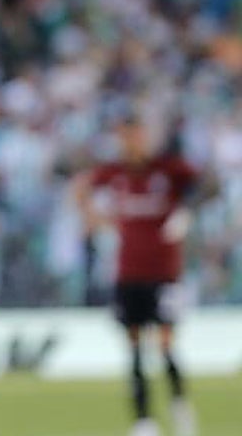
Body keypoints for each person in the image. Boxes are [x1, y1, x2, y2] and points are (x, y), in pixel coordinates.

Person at [73, 112, 219, 436]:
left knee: (166, 344)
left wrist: (186, 211)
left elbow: (210, 184)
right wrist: (96, 219)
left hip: (165, 272)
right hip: (129, 272)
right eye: (125, 136)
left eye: (136, 135)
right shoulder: (113, 173)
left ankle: (180, 406)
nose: (132, 143)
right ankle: (144, 421)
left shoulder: (169, 169)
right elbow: (80, 190)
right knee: (135, 348)